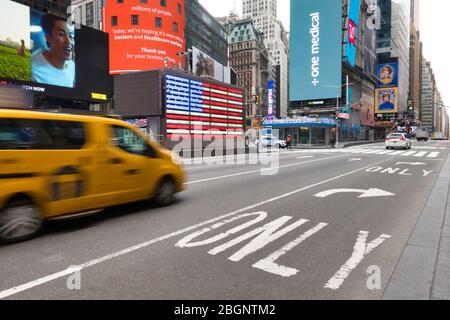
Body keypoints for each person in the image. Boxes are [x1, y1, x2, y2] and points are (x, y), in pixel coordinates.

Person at [31, 14, 75, 88]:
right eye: (61, 34)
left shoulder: (72, 65)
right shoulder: (33, 69)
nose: (69, 41)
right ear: (48, 37)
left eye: (71, 36)